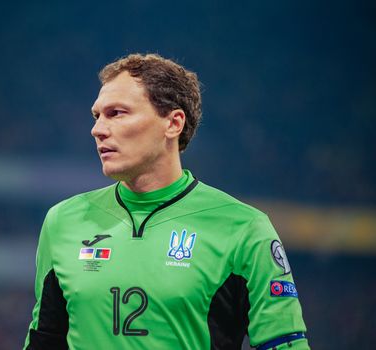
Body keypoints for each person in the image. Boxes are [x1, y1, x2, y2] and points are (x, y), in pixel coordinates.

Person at [23, 53, 309, 350]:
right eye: (97, 116)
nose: (98, 129)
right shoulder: (63, 221)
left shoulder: (244, 229)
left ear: (173, 123)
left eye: (117, 113)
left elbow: (284, 344)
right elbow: (44, 340)